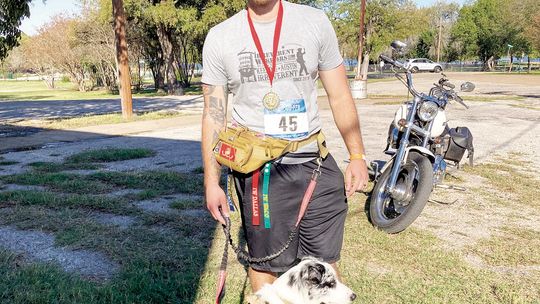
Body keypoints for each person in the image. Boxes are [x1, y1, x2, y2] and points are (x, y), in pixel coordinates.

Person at [201, 0, 368, 292]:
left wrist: (357, 155)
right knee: (266, 268)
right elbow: (213, 116)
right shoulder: (221, 36)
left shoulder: (314, 22)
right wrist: (211, 181)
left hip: (314, 161)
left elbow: (340, 95)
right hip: (259, 172)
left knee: (324, 266)